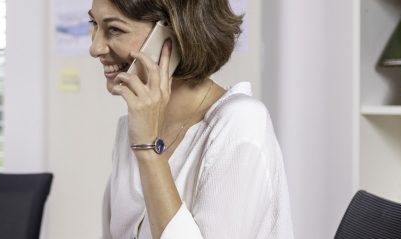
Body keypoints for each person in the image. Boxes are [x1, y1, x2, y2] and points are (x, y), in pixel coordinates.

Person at [88, 0, 294, 238]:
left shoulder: (241, 124)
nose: (95, 47)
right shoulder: (132, 127)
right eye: (93, 23)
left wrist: (148, 149)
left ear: (172, 33)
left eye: (114, 29)